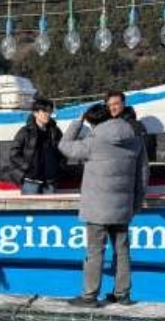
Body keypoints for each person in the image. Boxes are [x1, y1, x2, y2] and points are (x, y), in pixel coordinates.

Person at [58, 103, 149, 308]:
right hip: (123, 206)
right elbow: (143, 174)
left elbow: (64, 146)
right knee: (123, 251)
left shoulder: (92, 140)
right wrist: (135, 204)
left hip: (96, 208)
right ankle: (122, 294)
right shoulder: (136, 139)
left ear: (91, 122)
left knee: (95, 252)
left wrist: (77, 121)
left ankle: (89, 296)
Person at [7, 97, 64, 194]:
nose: (48, 114)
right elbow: (14, 153)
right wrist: (26, 166)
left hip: (50, 181)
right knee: (30, 208)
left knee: (51, 208)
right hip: (31, 180)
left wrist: (59, 167)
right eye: (44, 111)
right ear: (35, 113)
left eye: (49, 111)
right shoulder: (25, 131)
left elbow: (63, 150)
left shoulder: (55, 131)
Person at [106, 90, 157, 161]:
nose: (112, 108)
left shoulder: (134, 125)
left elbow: (145, 149)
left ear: (123, 104)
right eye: (109, 105)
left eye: (116, 104)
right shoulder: (107, 124)